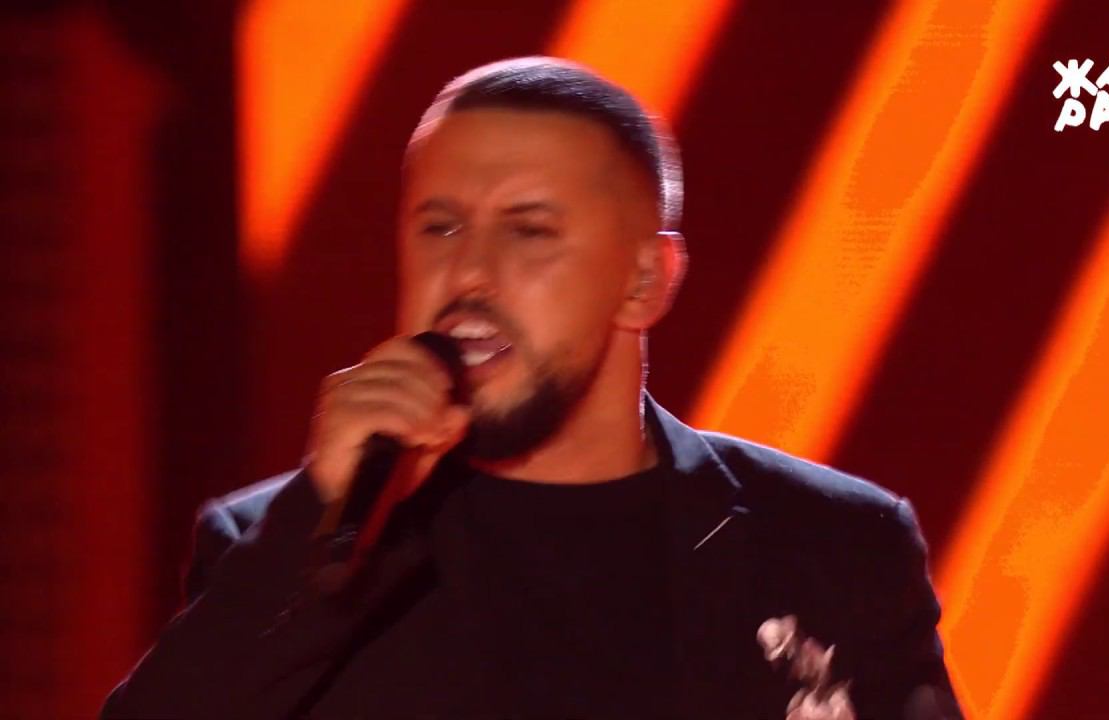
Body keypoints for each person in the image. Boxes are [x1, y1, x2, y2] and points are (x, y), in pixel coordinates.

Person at [102, 57, 963, 720]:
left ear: (644, 281)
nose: (468, 273)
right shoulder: (292, 549)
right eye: (440, 227)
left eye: (530, 231)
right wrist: (323, 521)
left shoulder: (832, 544)